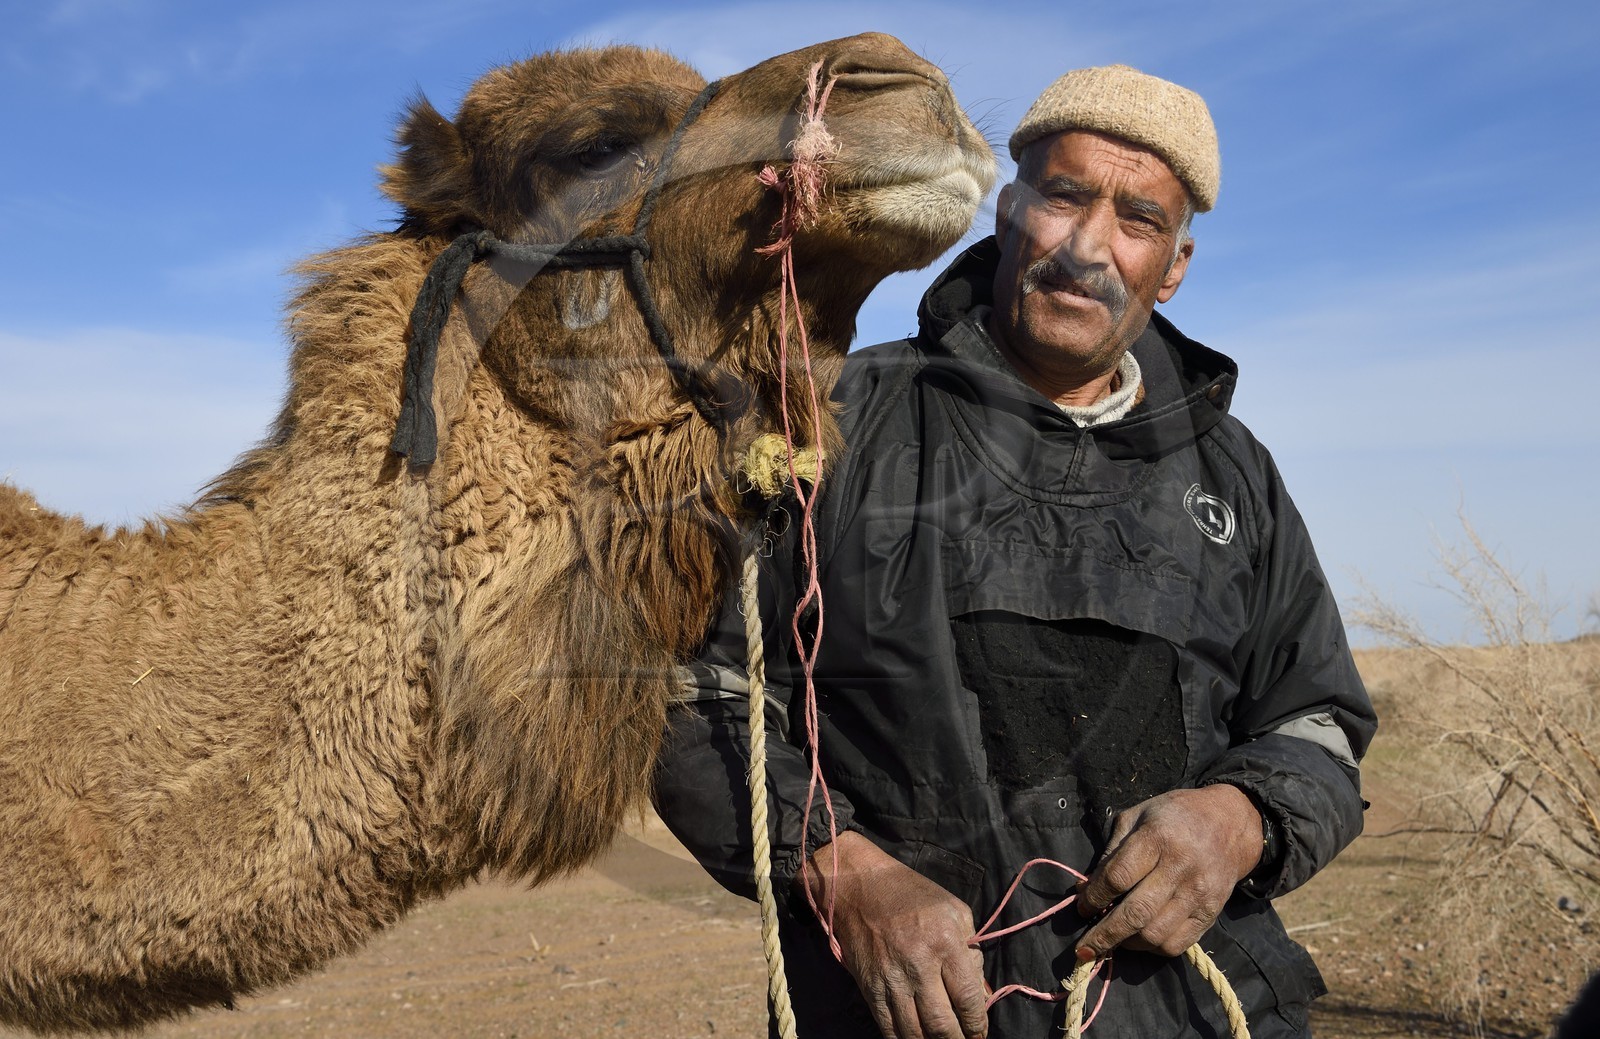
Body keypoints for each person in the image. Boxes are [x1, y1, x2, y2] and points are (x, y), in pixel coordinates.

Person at [654, 63, 1378, 1039]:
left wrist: (1238, 820)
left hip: (1192, 1012)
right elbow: (688, 691)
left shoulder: (1233, 475)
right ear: (1007, 209)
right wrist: (835, 865)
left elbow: (1317, 720)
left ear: (1173, 266)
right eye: (1064, 195)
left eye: (1136, 219)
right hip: (910, 1012)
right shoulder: (834, 423)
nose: (1087, 246)